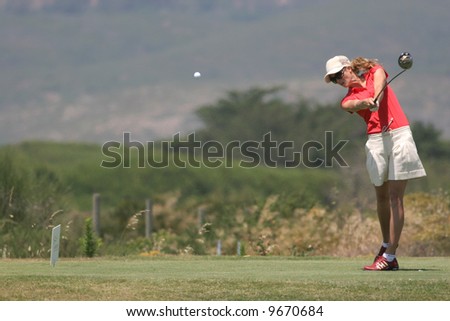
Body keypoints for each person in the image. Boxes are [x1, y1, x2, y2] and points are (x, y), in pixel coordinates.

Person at [323, 55, 426, 271]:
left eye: (339, 74)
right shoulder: (347, 100)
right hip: (377, 140)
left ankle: (389, 255)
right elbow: (354, 103)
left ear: (349, 68)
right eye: (333, 79)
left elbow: (379, 81)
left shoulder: (375, 72)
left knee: (396, 197)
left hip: (399, 135)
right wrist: (365, 102)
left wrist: (375, 99)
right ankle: (387, 243)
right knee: (381, 197)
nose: (338, 80)